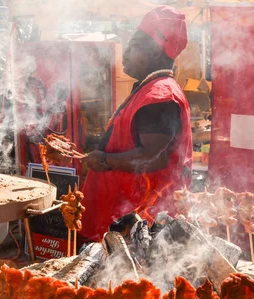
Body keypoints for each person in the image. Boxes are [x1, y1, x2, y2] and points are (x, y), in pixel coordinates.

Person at [80, 6, 193, 240]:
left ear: (154, 52)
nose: (126, 53)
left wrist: (103, 160)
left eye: (133, 46)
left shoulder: (159, 96)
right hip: (125, 217)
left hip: (140, 223)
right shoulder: (149, 89)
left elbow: (153, 158)